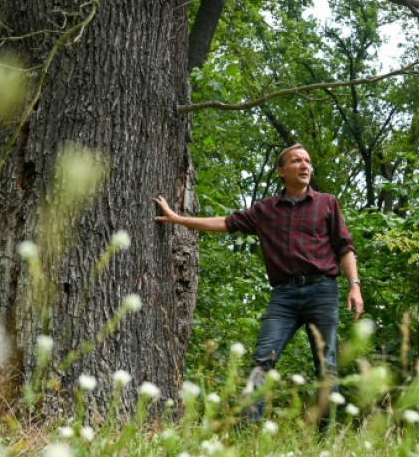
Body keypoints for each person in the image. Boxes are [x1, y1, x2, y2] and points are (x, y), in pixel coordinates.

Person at [154, 143, 364, 424]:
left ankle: (326, 440)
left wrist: (354, 285)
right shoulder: (266, 210)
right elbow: (225, 222)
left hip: (321, 290)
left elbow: (344, 247)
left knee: (326, 366)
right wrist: (179, 219)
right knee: (263, 359)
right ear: (281, 171)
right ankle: (247, 430)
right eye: (296, 161)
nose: (304, 165)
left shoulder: (327, 203)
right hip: (284, 296)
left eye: (308, 161)